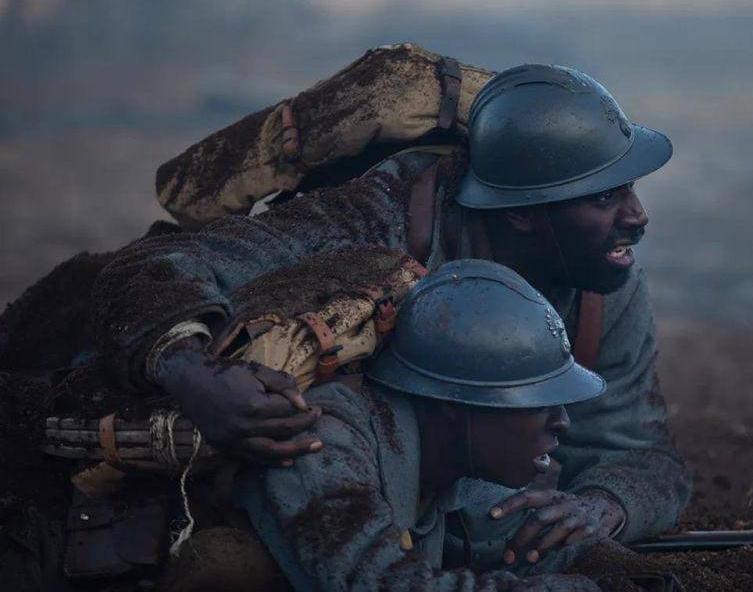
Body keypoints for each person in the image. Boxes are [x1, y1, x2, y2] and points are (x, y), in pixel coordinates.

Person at [93, 62, 692, 564]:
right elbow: (153, 266)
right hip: (323, 494)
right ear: (519, 212)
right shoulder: (374, 222)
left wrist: (604, 506)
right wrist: (196, 374)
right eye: (605, 196)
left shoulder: (602, 285)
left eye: (629, 187)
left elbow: (640, 452)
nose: (637, 217)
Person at [234, 260, 606, 590]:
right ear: (453, 404)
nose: (562, 422)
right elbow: (378, 581)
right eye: (538, 403)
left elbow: (530, 543)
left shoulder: (454, 460)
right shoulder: (321, 444)